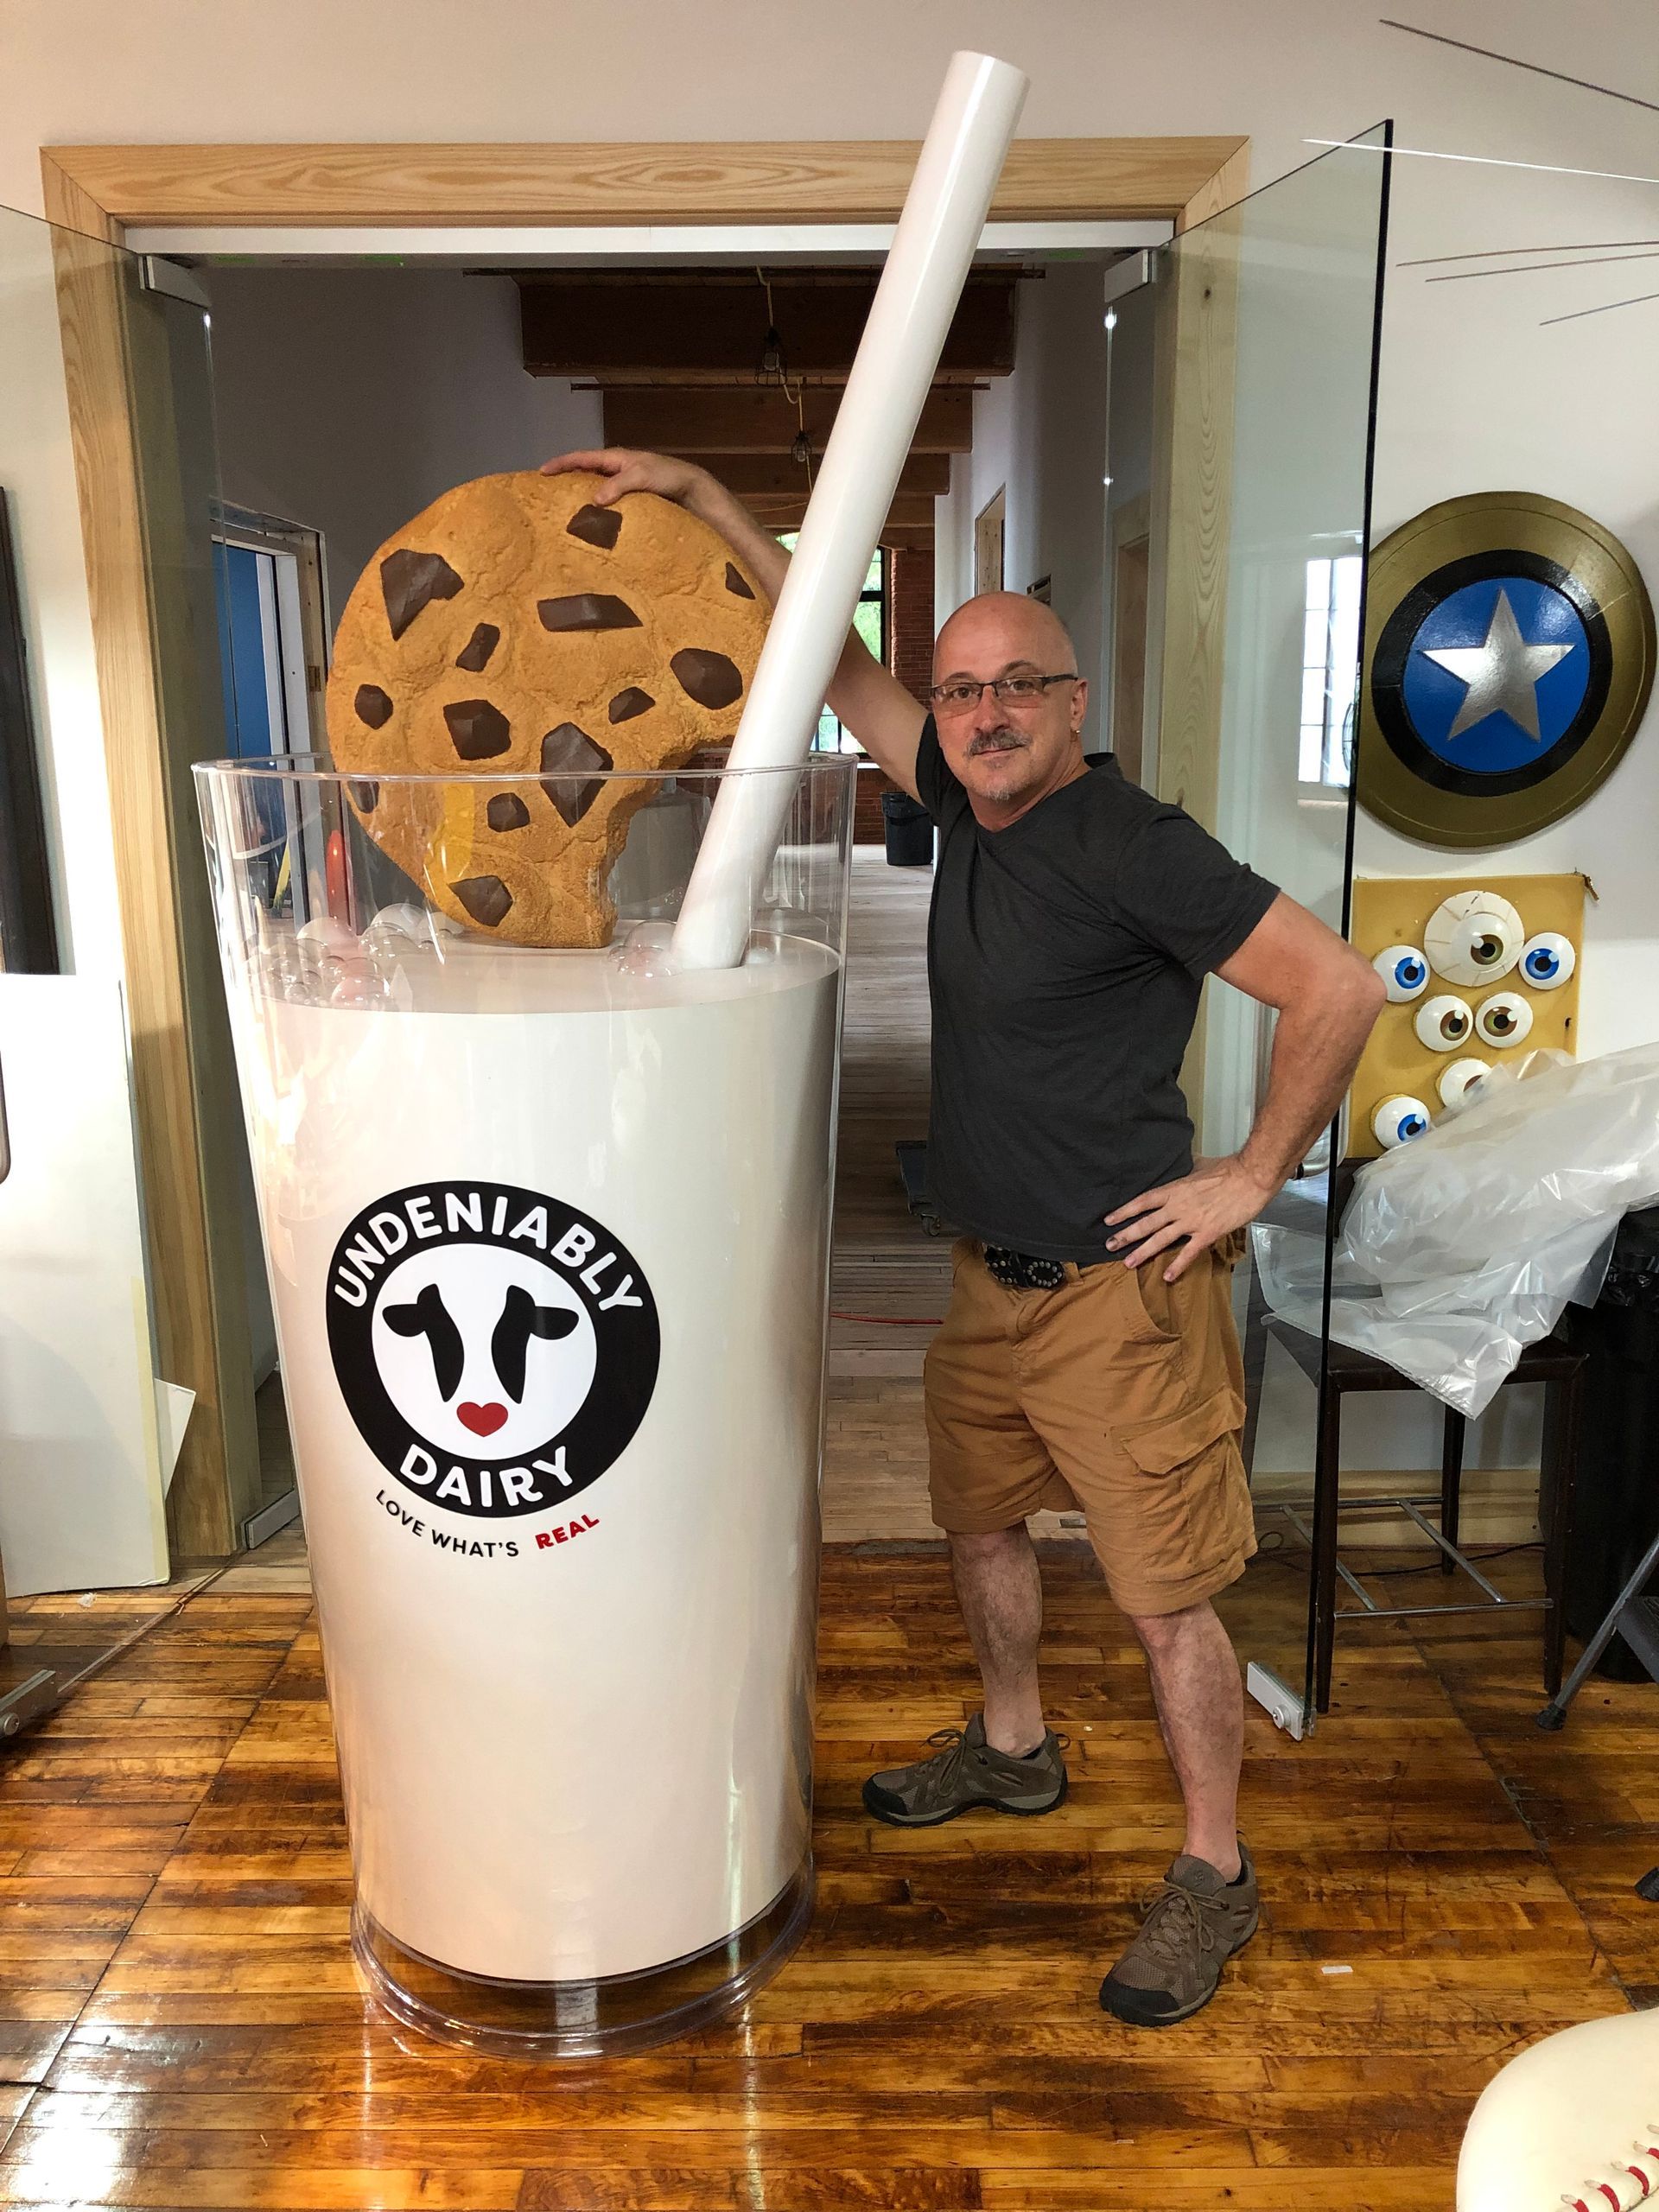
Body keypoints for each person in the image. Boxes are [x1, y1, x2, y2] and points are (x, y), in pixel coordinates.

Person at [543, 447, 1386, 2027]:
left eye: (1014, 689)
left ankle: (1216, 1869)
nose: (981, 715)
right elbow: (837, 660)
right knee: (980, 1529)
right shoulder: (962, 801)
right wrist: (723, 506)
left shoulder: (1136, 844)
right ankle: (1013, 1750)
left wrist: (1248, 1174)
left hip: (1122, 1297)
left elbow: (1335, 987)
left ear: (1072, 702)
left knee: (1162, 1599)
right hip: (983, 1282)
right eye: (957, 693)